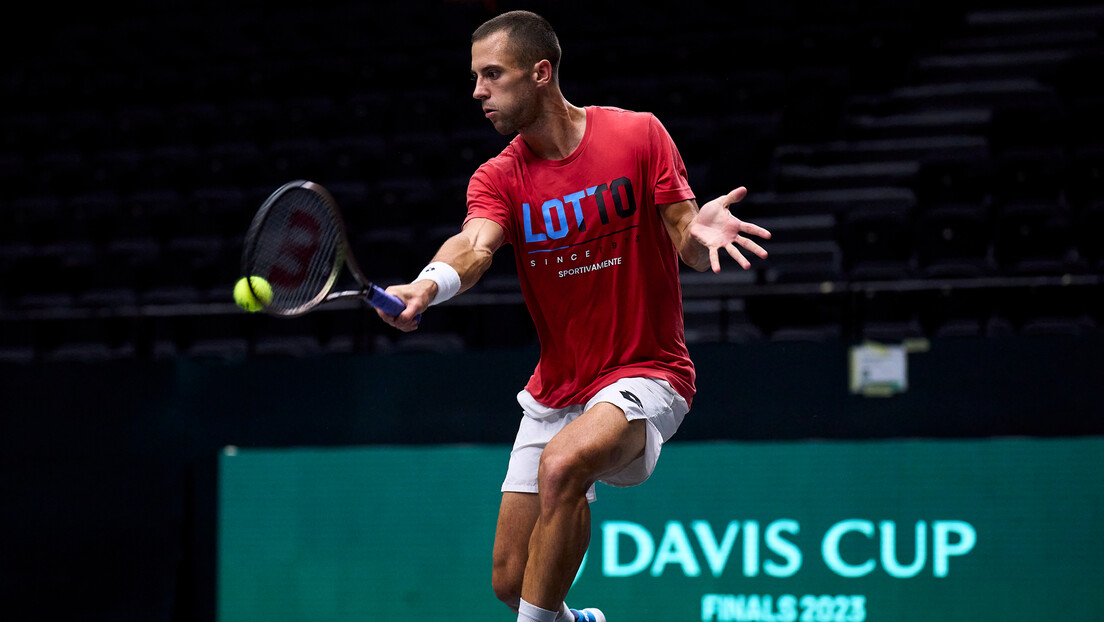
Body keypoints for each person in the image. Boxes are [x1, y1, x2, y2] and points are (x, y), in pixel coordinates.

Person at [376, 10, 771, 622]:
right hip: (559, 388)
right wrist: (430, 284)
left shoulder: (638, 135)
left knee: (563, 462)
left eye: (491, 74)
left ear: (540, 72)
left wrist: (702, 233)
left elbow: (686, 243)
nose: (477, 91)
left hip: (648, 372)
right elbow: (476, 245)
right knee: (513, 581)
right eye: (475, 77)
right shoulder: (500, 177)